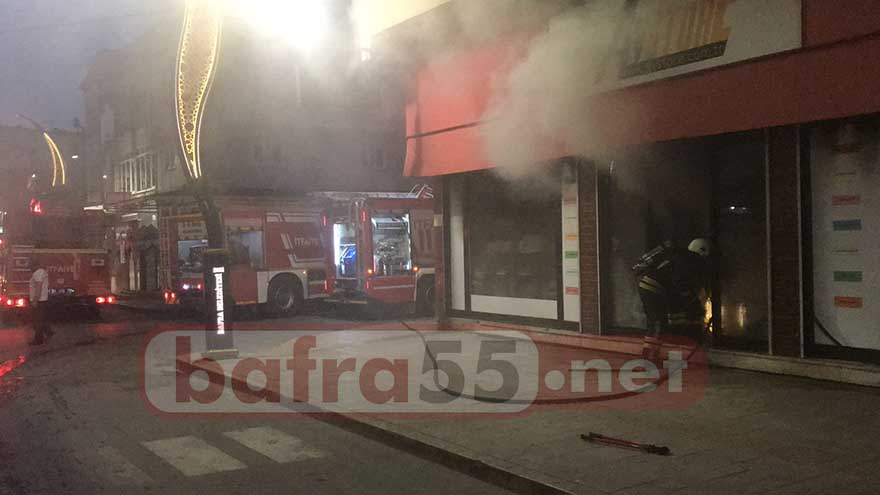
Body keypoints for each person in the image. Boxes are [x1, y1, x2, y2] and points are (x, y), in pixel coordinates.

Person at [632, 238, 711, 358]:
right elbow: (681, 285)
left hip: (646, 284)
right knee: (658, 321)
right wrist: (693, 305)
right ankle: (650, 356)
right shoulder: (692, 261)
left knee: (659, 320)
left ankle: (654, 354)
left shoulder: (678, 254)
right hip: (657, 287)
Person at [28, 263, 53, 345]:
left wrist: (35, 300)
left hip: (39, 301)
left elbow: (38, 287)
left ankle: (38, 340)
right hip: (43, 300)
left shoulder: (38, 273)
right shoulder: (42, 272)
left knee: (37, 321)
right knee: (40, 319)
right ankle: (48, 331)